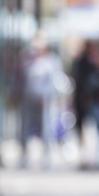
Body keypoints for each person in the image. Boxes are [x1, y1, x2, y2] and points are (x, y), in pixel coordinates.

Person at [17, 34, 64, 169]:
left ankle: (46, 156)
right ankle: (24, 156)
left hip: (45, 100)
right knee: (25, 127)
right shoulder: (26, 59)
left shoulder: (52, 60)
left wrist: (49, 96)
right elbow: (20, 78)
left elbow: (56, 80)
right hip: (28, 98)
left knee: (46, 128)